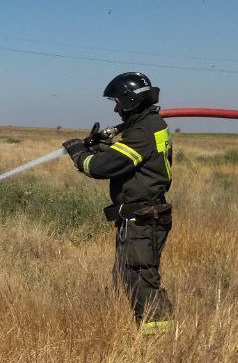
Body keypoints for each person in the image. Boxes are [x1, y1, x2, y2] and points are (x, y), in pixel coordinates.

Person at [62, 72, 174, 333]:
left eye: (119, 102)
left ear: (132, 102)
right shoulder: (149, 125)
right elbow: (125, 159)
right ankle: (138, 331)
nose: (116, 108)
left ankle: (157, 342)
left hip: (144, 219)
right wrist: (101, 146)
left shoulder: (143, 131)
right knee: (128, 276)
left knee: (142, 279)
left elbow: (103, 167)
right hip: (141, 217)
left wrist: (80, 155)